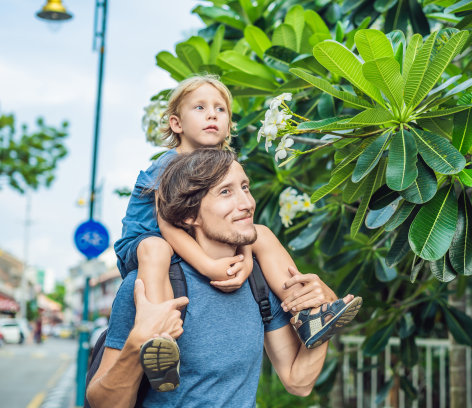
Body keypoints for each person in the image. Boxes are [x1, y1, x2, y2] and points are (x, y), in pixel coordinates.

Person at [112, 74, 361, 391]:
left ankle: (308, 313)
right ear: (176, 123)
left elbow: (240, 229)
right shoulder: (168, 165)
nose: (212, 114)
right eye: (200, 107)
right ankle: (162, 340)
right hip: (147, 244)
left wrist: (244, 256)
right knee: (155, 249)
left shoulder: (223, 167)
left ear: (229, 126)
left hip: (191, 240)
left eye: (220, 109)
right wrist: (208, 266)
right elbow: (168, 228)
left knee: (263, 234)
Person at [86, 148, 351, 407]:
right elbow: (103, 402)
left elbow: (299, 382)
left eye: (245, 188)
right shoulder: (145, 287)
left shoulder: (259, 283)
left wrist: (325, 313)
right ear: (190, 215)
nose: (247, 204)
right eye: (226, 192)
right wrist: (137, 343)